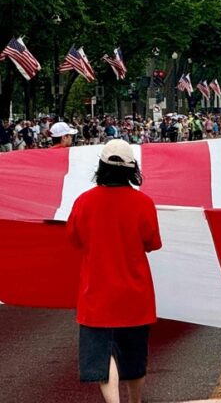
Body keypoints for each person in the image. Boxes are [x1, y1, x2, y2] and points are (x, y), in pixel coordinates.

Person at [65, 139, 162, 403]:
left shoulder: (84, 202)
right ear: (131, 170)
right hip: (135, 293)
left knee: (102, 356)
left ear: (101, 167)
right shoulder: (143, 202)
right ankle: (135, 401)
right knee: (134, 358)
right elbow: (152, 243)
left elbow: (74, 239)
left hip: (96, 292)